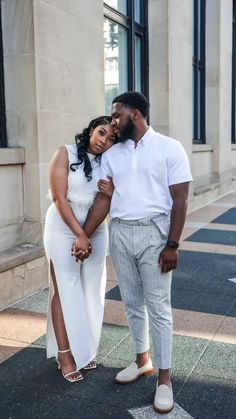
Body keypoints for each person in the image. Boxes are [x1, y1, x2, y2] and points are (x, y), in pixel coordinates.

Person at [72, 91, 193, 412]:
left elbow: (180, 200)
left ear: (135, 115)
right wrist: (83, 236)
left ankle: (164, 379)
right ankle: (142, 360)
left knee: (159, 307)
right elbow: (103, 200)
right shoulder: (114, 154)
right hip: (121, 233)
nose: (112, 123)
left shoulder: (170, 148)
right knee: (132, 302)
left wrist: (172, 244)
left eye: (116, 116)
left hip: (156, 233)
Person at [44, 116, 116, 383]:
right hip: (63, 228)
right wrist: (77, 235)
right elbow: (58, 197)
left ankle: (83, 348)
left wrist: (86, 236)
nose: (103, 141)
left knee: (91, 291)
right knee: (65, 289)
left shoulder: (109, 161)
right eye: (100, 133)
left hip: (95, 231)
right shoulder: (65, 152)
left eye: (111, 139)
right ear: (90, 130)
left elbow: (105, 200)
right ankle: (64, 355)